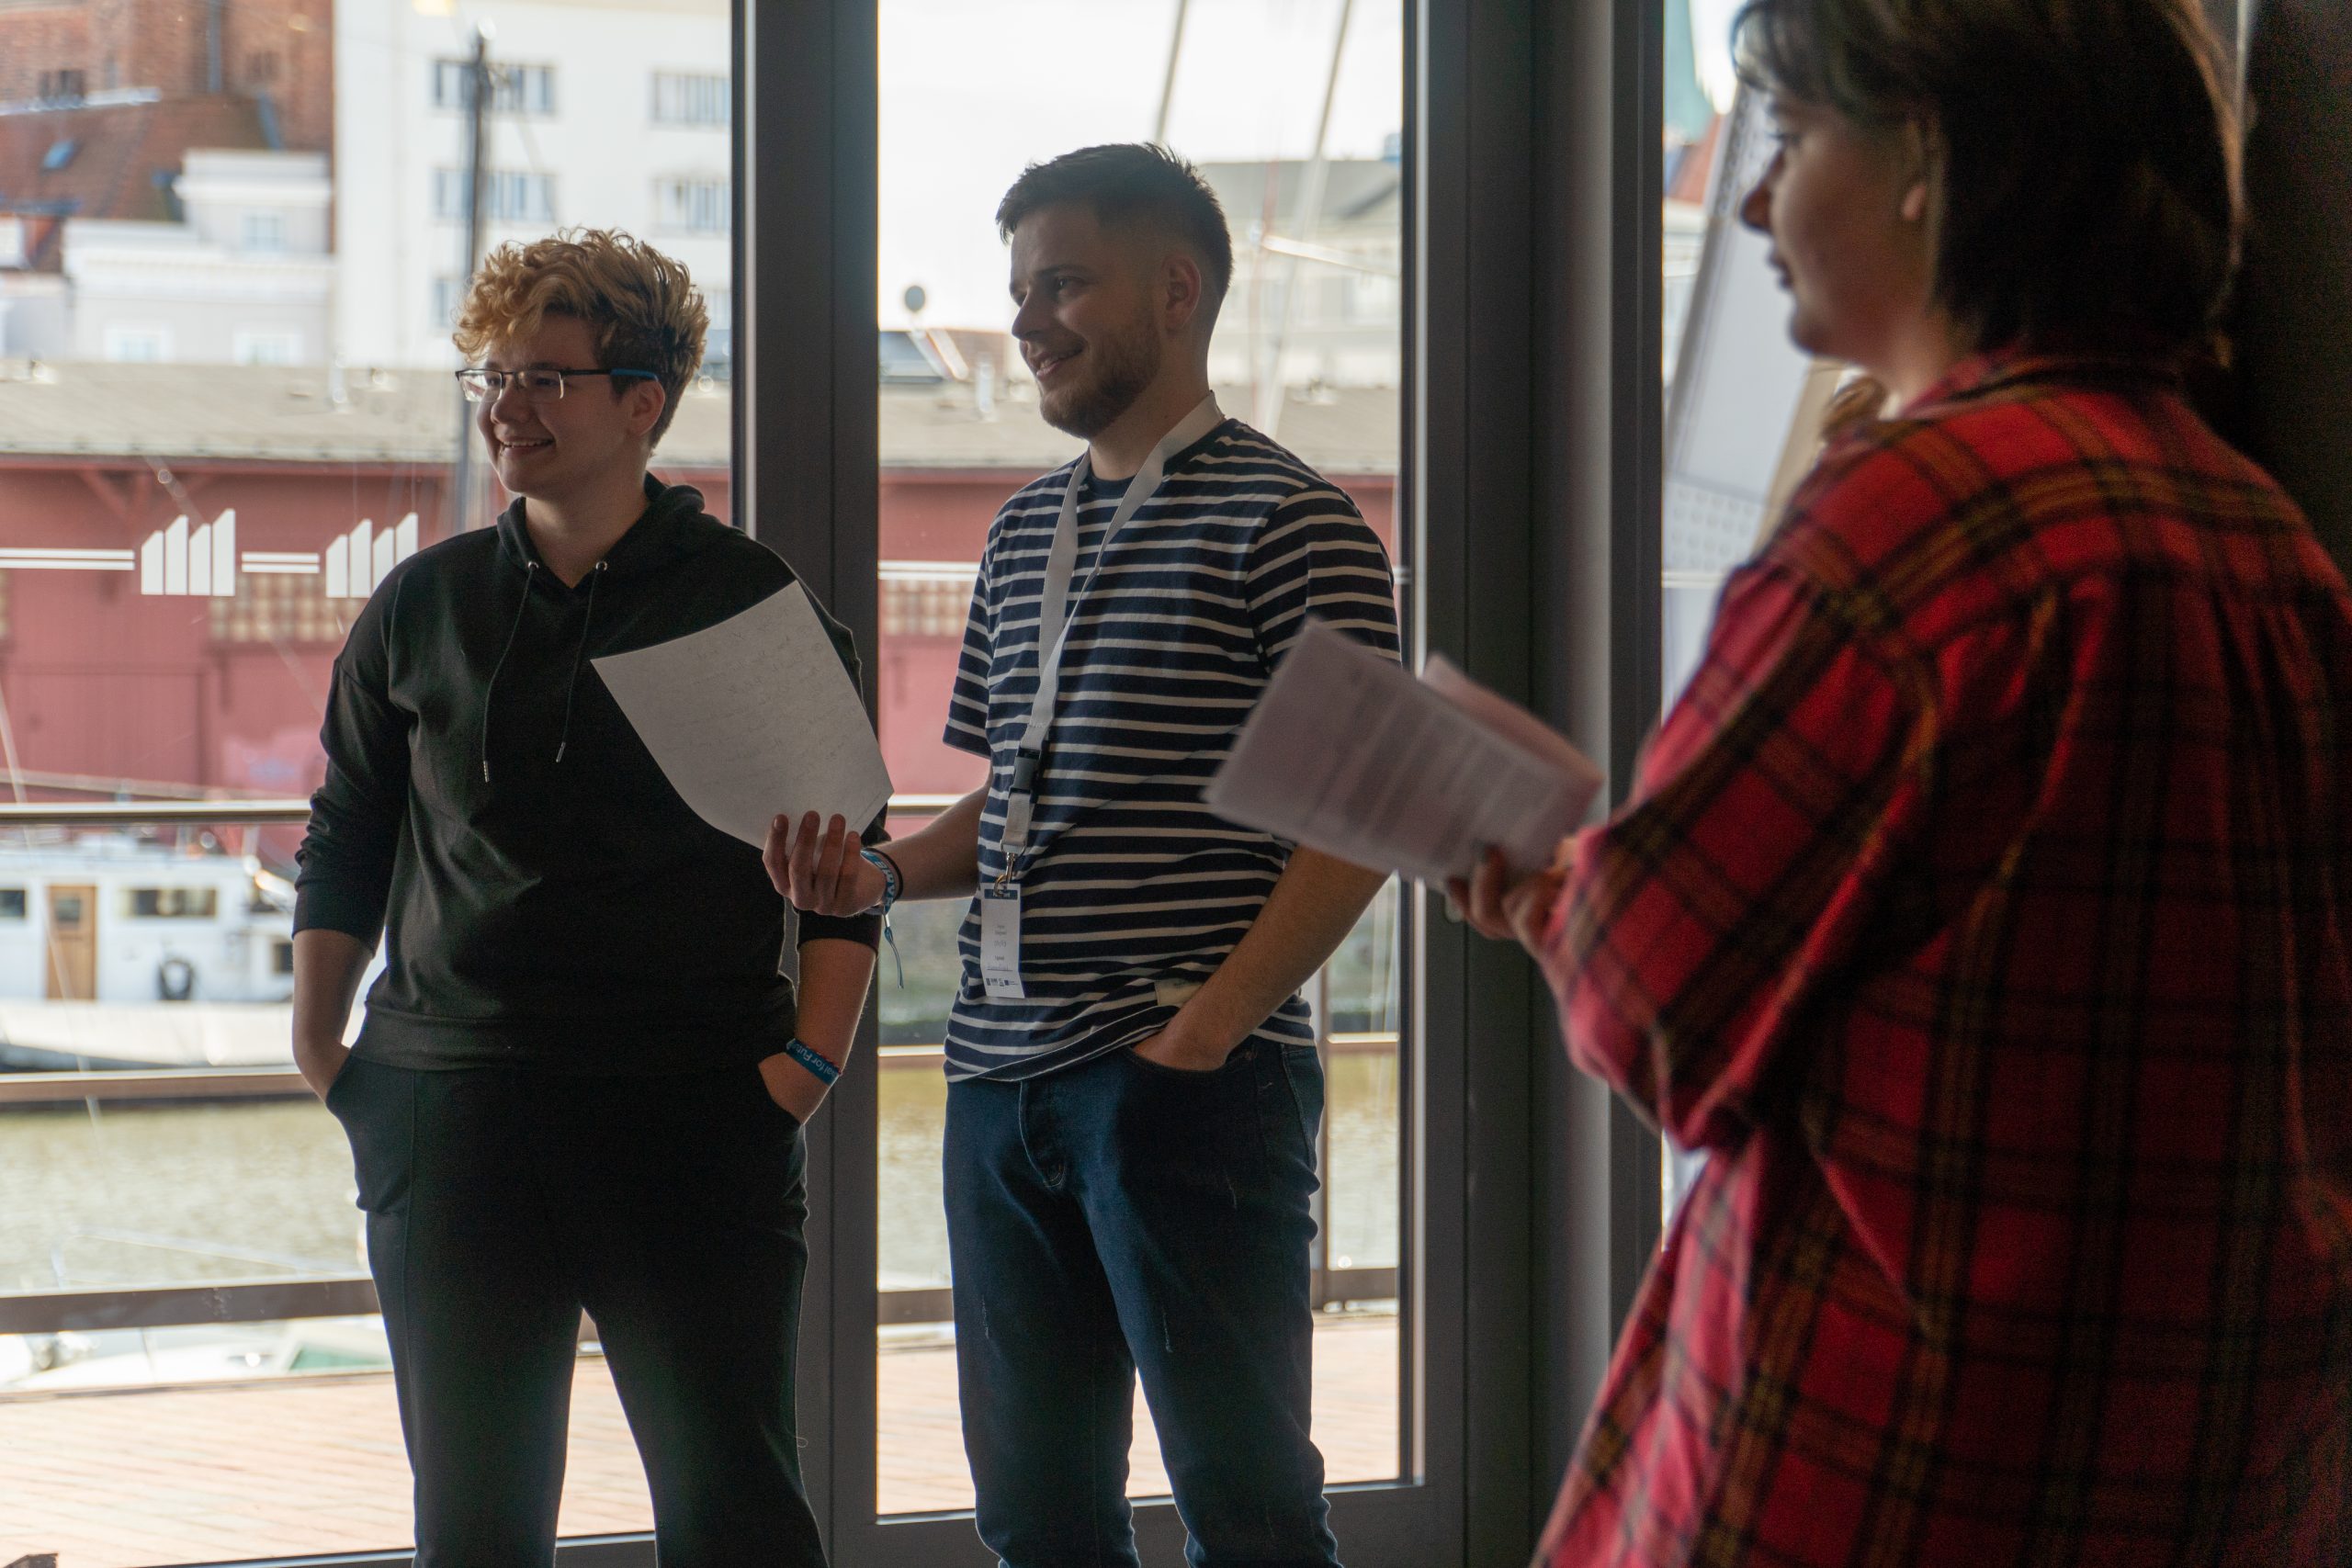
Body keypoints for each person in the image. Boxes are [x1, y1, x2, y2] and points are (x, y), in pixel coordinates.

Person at [1458, 1, 2352, 1563]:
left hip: (1892, 1450)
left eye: (1793, 138)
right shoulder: (2263, 538)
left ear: (1931, 156)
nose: (1756, 201)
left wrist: (1561, 895)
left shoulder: (1911, 517)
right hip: (2209, 1447)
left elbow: (1654, 1007)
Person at [772, 143, 1397, 1568]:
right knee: (1035, 1517)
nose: (1026, 321)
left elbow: (1360, 820)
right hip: (997, 1089)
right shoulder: (1019, 532)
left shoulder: (1293, 522)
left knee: (1247, 1509)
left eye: (1062, 284)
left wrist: (1207, 1031)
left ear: (1177, 291)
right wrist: (878, 877)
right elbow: (1011, 805)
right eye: (1018, 290)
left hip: (1185, 1087)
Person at [292, 229, 876, 1568]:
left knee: (735, 1516)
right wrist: (325, 1047)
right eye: (491, 378)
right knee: (475, 1530)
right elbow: (350, 828)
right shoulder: (423, 604)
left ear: (642, 404)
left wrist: (807, 1066)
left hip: (692, 1110)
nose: (508, 406)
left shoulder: (747, 601)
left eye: (546, 379)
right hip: (448, 1110)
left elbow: (848, 868)